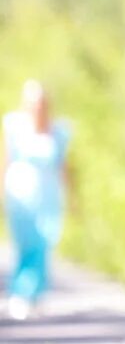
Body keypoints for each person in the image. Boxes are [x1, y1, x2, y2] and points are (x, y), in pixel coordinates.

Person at [4, 81, 70, 320]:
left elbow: (64, 166)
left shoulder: (59, 132)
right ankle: (20, 294)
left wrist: (72, 197)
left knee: (44, 245)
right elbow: (6, 160)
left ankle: (36, 293)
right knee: (25, 244)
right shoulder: (15, 127)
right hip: (20, 195)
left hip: (48, 197)